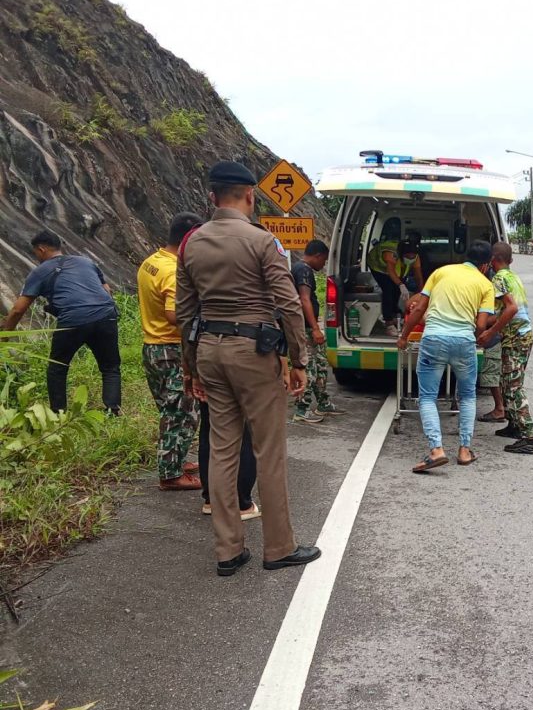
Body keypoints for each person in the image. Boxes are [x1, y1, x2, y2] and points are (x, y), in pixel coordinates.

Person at [176, 159, 320, 577]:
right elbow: (288, 304)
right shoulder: (263, 241)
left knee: (222, 449)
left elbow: (185, 313)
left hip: (209, 351)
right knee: (268, 450)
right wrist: (298, 359)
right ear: (251, 196)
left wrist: (191, 368)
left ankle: (228, 550)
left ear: (211, 196)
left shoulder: (190, 243)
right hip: (254, 353)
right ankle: (279, 548)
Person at [397, 240, 495, 472]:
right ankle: (464, 450)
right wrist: (471, 336)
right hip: (464, 342)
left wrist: (404, 336)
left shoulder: (441, 272)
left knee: (427, 397)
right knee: (468, 396)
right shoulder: (486, 284)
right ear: (485, 265)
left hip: (433, 339)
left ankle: (436, 450)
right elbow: (481, 324)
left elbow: (419, 308)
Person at [2, 231, 121, 414]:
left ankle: (58, 413)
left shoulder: (40, 271)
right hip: (106, 315)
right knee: (110, 367)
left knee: (57, 367)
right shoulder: (85, 261)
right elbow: (107, 290)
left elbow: (18, 309)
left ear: (41, 249)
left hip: (73, 320)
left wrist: (4, 336)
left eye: (36, 252)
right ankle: (113, 410)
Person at [137, 213, 203, 491]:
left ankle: (175, 459)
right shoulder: (172, 271)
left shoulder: (151, 262)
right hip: (171, 349)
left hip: (153, 346)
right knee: (182, 412)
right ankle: (171, 474)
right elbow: (174, 314)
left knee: (170, 408)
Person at [478, 242, 533, 454]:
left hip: (515, 339)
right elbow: (505, 310)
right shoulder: (513, 277)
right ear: (510, 260)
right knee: (506, 383)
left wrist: (490, 332)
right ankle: (514, 426)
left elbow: (511, 309)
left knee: (513, 387)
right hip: (522, 337)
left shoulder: (499, 279)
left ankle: (529, 437)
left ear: (492, 259)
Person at [291, 239, 344, 423]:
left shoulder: (301, 269)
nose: (323, 265)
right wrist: (315, 329)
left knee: (321, 365)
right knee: (309, 367)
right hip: (305, 328)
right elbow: (304, 299)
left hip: (308, 327)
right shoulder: (303, 270)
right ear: (317, 256)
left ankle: (323, 402)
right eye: (324, 260)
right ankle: (302, 409)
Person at [367, 219, 422, 335]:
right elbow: (391, 271)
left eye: (413, 257)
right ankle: (388, 322)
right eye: (408, 257)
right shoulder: (391, 253)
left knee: (397, 291)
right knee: (388, 289)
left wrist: (422, 292)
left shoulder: (415, 257)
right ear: (401, 255)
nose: (411, 259)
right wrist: (401, 285)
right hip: (378, 267)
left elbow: (418, 276)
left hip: (395, 270)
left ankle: (395, 313)